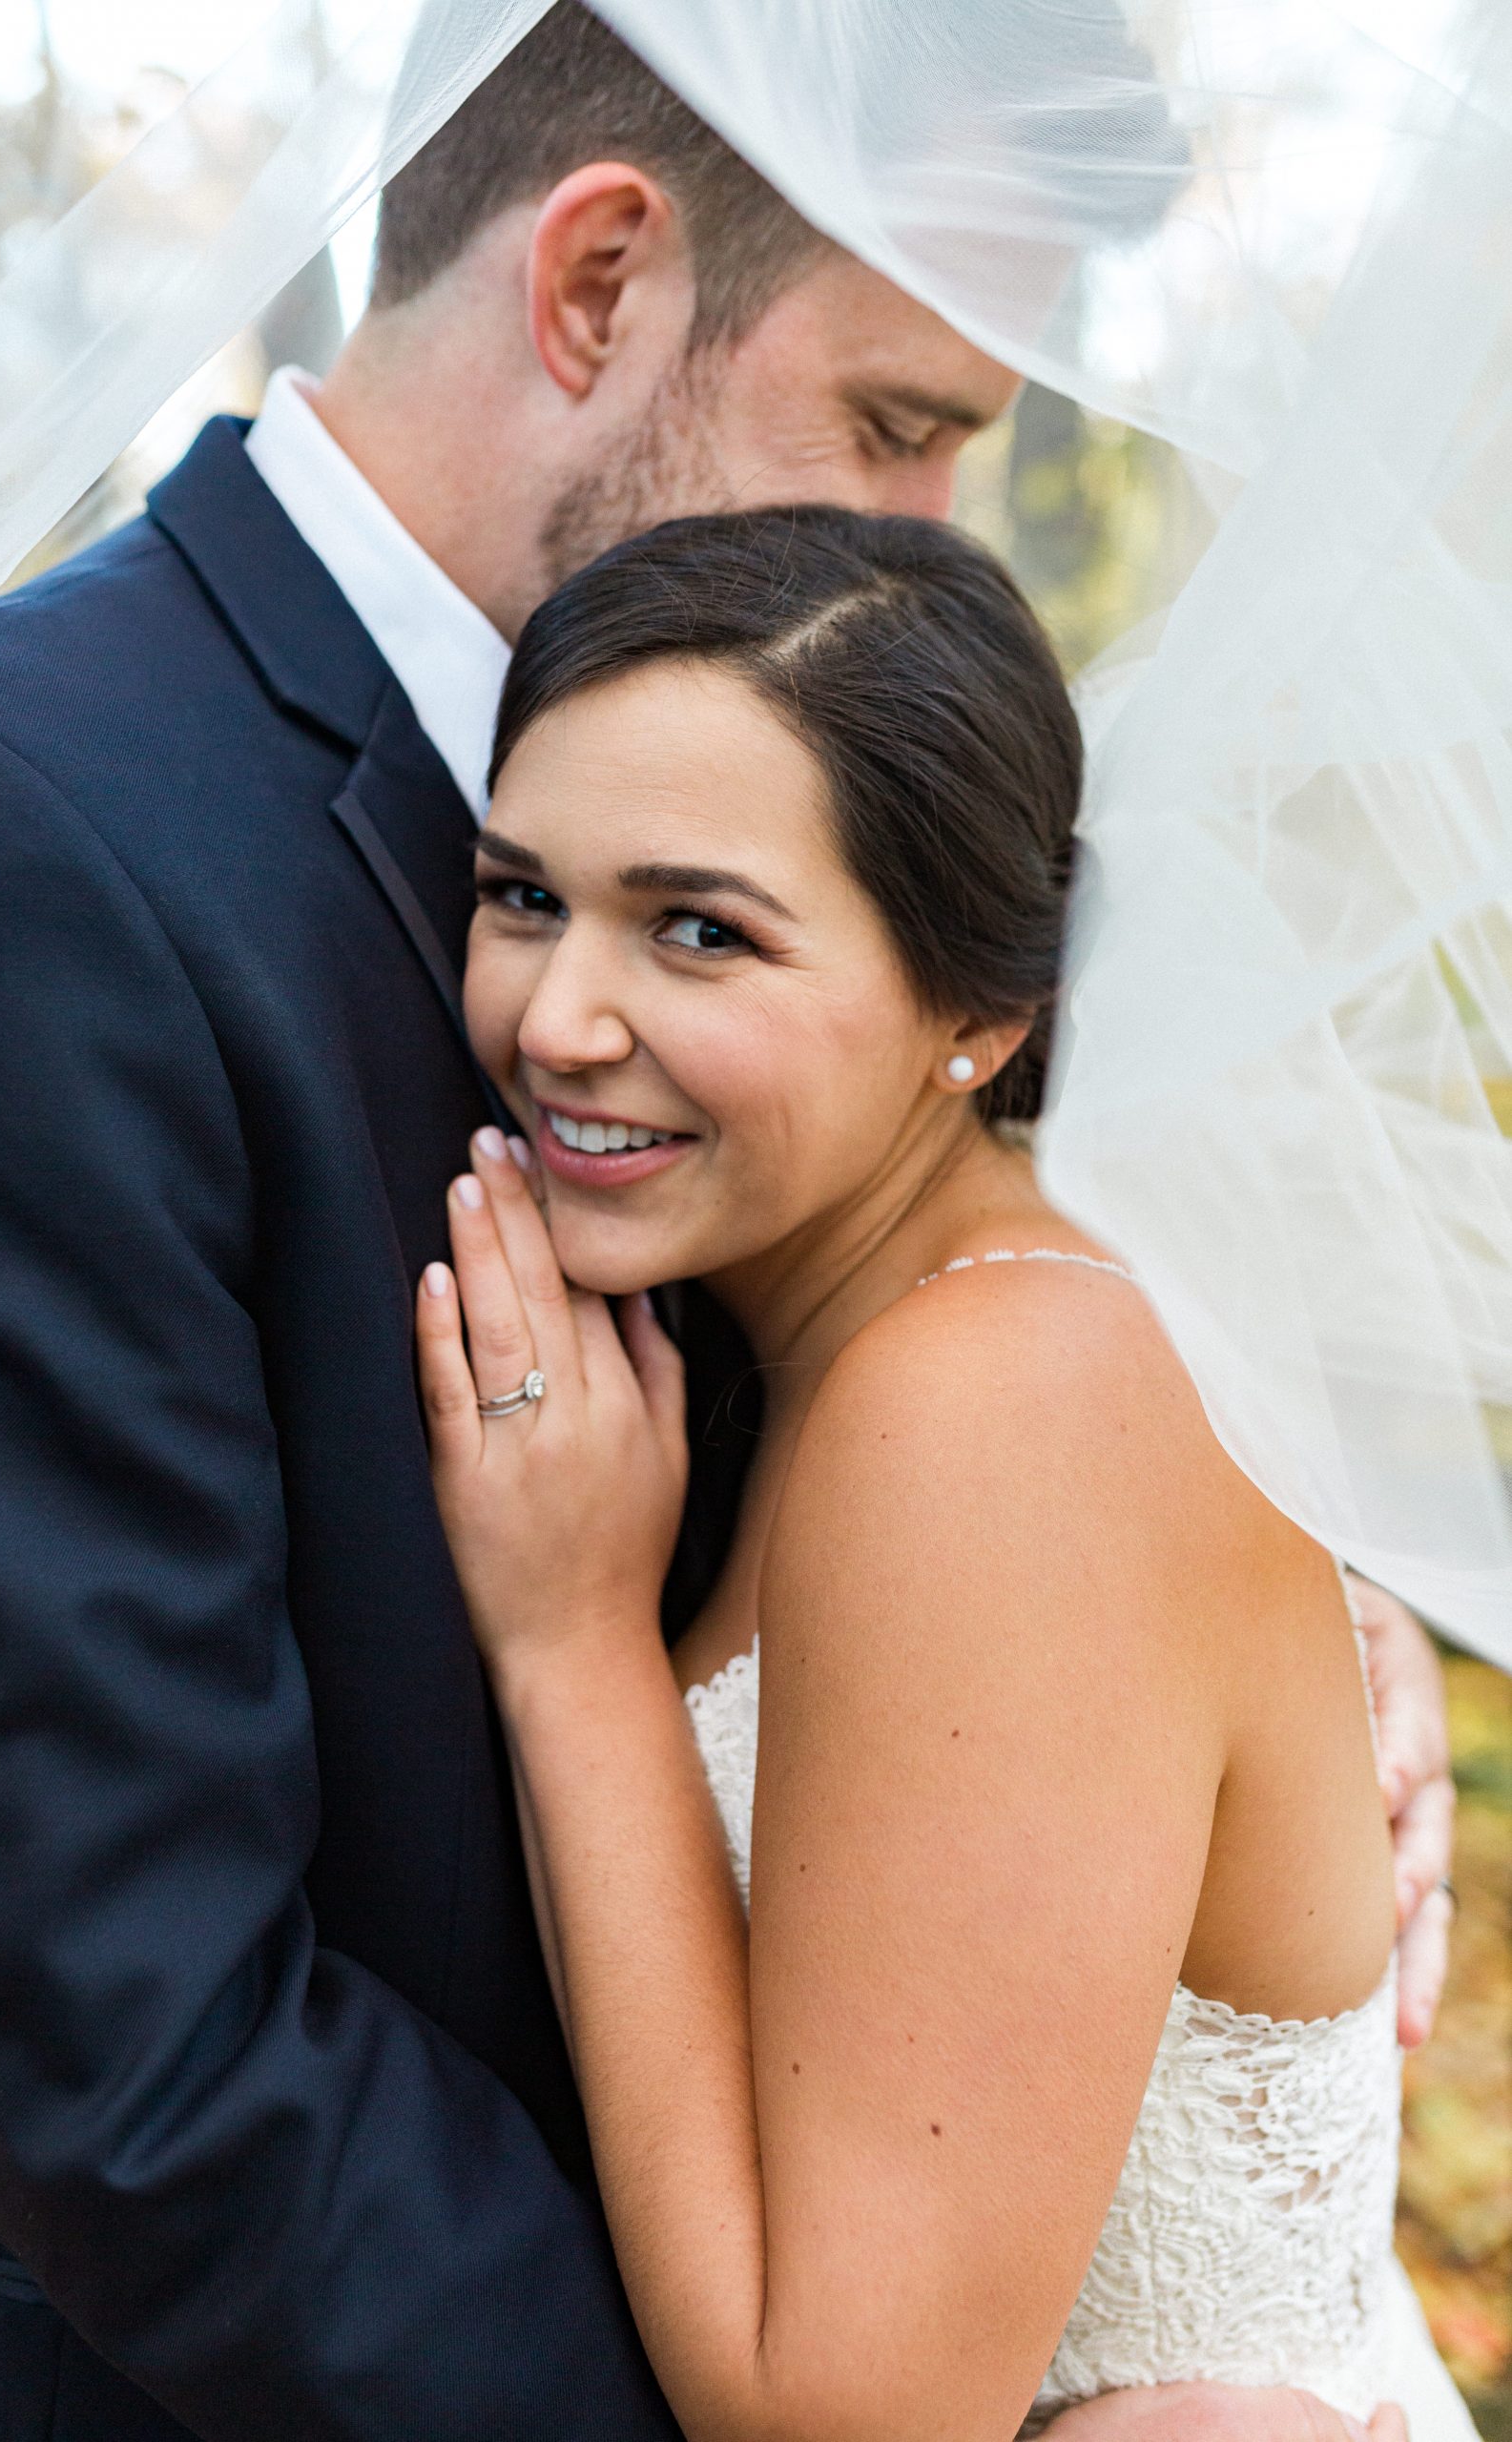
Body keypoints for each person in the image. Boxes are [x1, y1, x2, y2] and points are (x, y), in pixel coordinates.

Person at [0, 7, 1452, 2438]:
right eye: (900, 420)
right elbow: (135, 2039)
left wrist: (1259, 1718)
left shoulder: (816, 824)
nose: (929, 540)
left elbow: (1048, 1375)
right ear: (600, 279)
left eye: (688, 931)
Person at [420, 503, 1481, 2442]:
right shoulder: (883, 1338)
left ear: (976, 1015)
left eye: (698, 927)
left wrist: (570, 1638)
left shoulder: (999, 1402)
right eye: (519, 892)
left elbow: (842, 2405)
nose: (555, 1019)